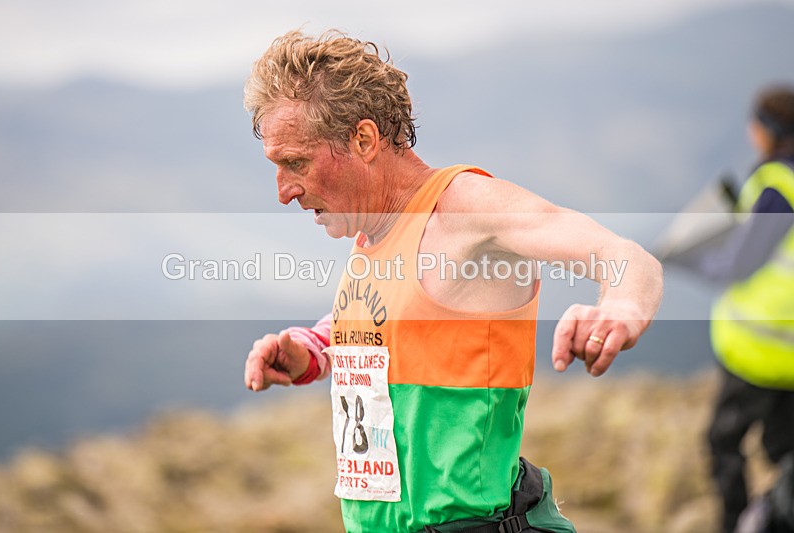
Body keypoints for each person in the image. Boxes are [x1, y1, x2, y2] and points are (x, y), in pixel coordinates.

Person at [242, 30, 663, 533]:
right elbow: (396, 323)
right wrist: (312, 349)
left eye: (295, 163)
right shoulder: (373, 233)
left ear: (364, 139)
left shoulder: (463, 209)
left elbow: (625, 257)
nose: (284, 192)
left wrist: (617, 310)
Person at [701, 86, 794, 533]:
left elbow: (742, 263)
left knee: (723, 445)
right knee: (784, 450)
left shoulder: (778, 186)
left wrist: (705, 259)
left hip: (760, 351)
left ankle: (739, 523)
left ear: (768, 131)